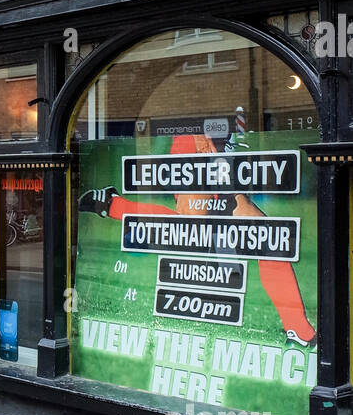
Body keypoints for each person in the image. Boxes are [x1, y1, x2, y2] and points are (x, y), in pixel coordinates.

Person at [79, 129, 316, 347]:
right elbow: (198, 101)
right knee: (190, 224)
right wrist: (203, 140)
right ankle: (113, 204)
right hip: (195, 141)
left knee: (265, 236)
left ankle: (297, 327)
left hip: (222, 148)